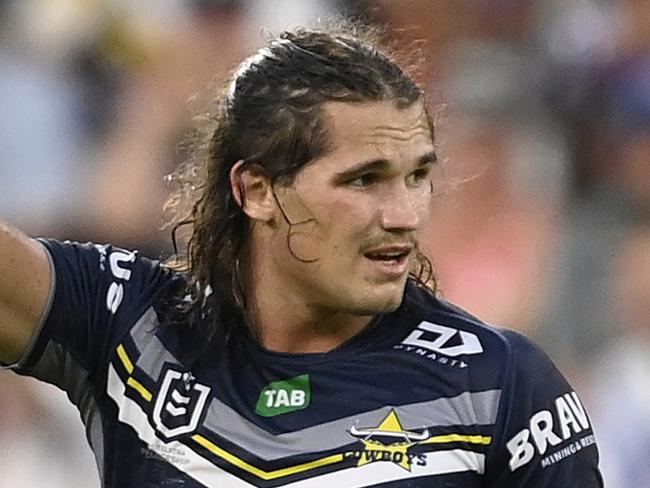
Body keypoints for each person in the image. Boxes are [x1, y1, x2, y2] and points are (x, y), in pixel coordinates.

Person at [0, 26, 603, 487]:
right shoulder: (135, 328)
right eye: (364, 181)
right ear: (256, 191)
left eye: (418, 176)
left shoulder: (499, 385)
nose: (405, 214)